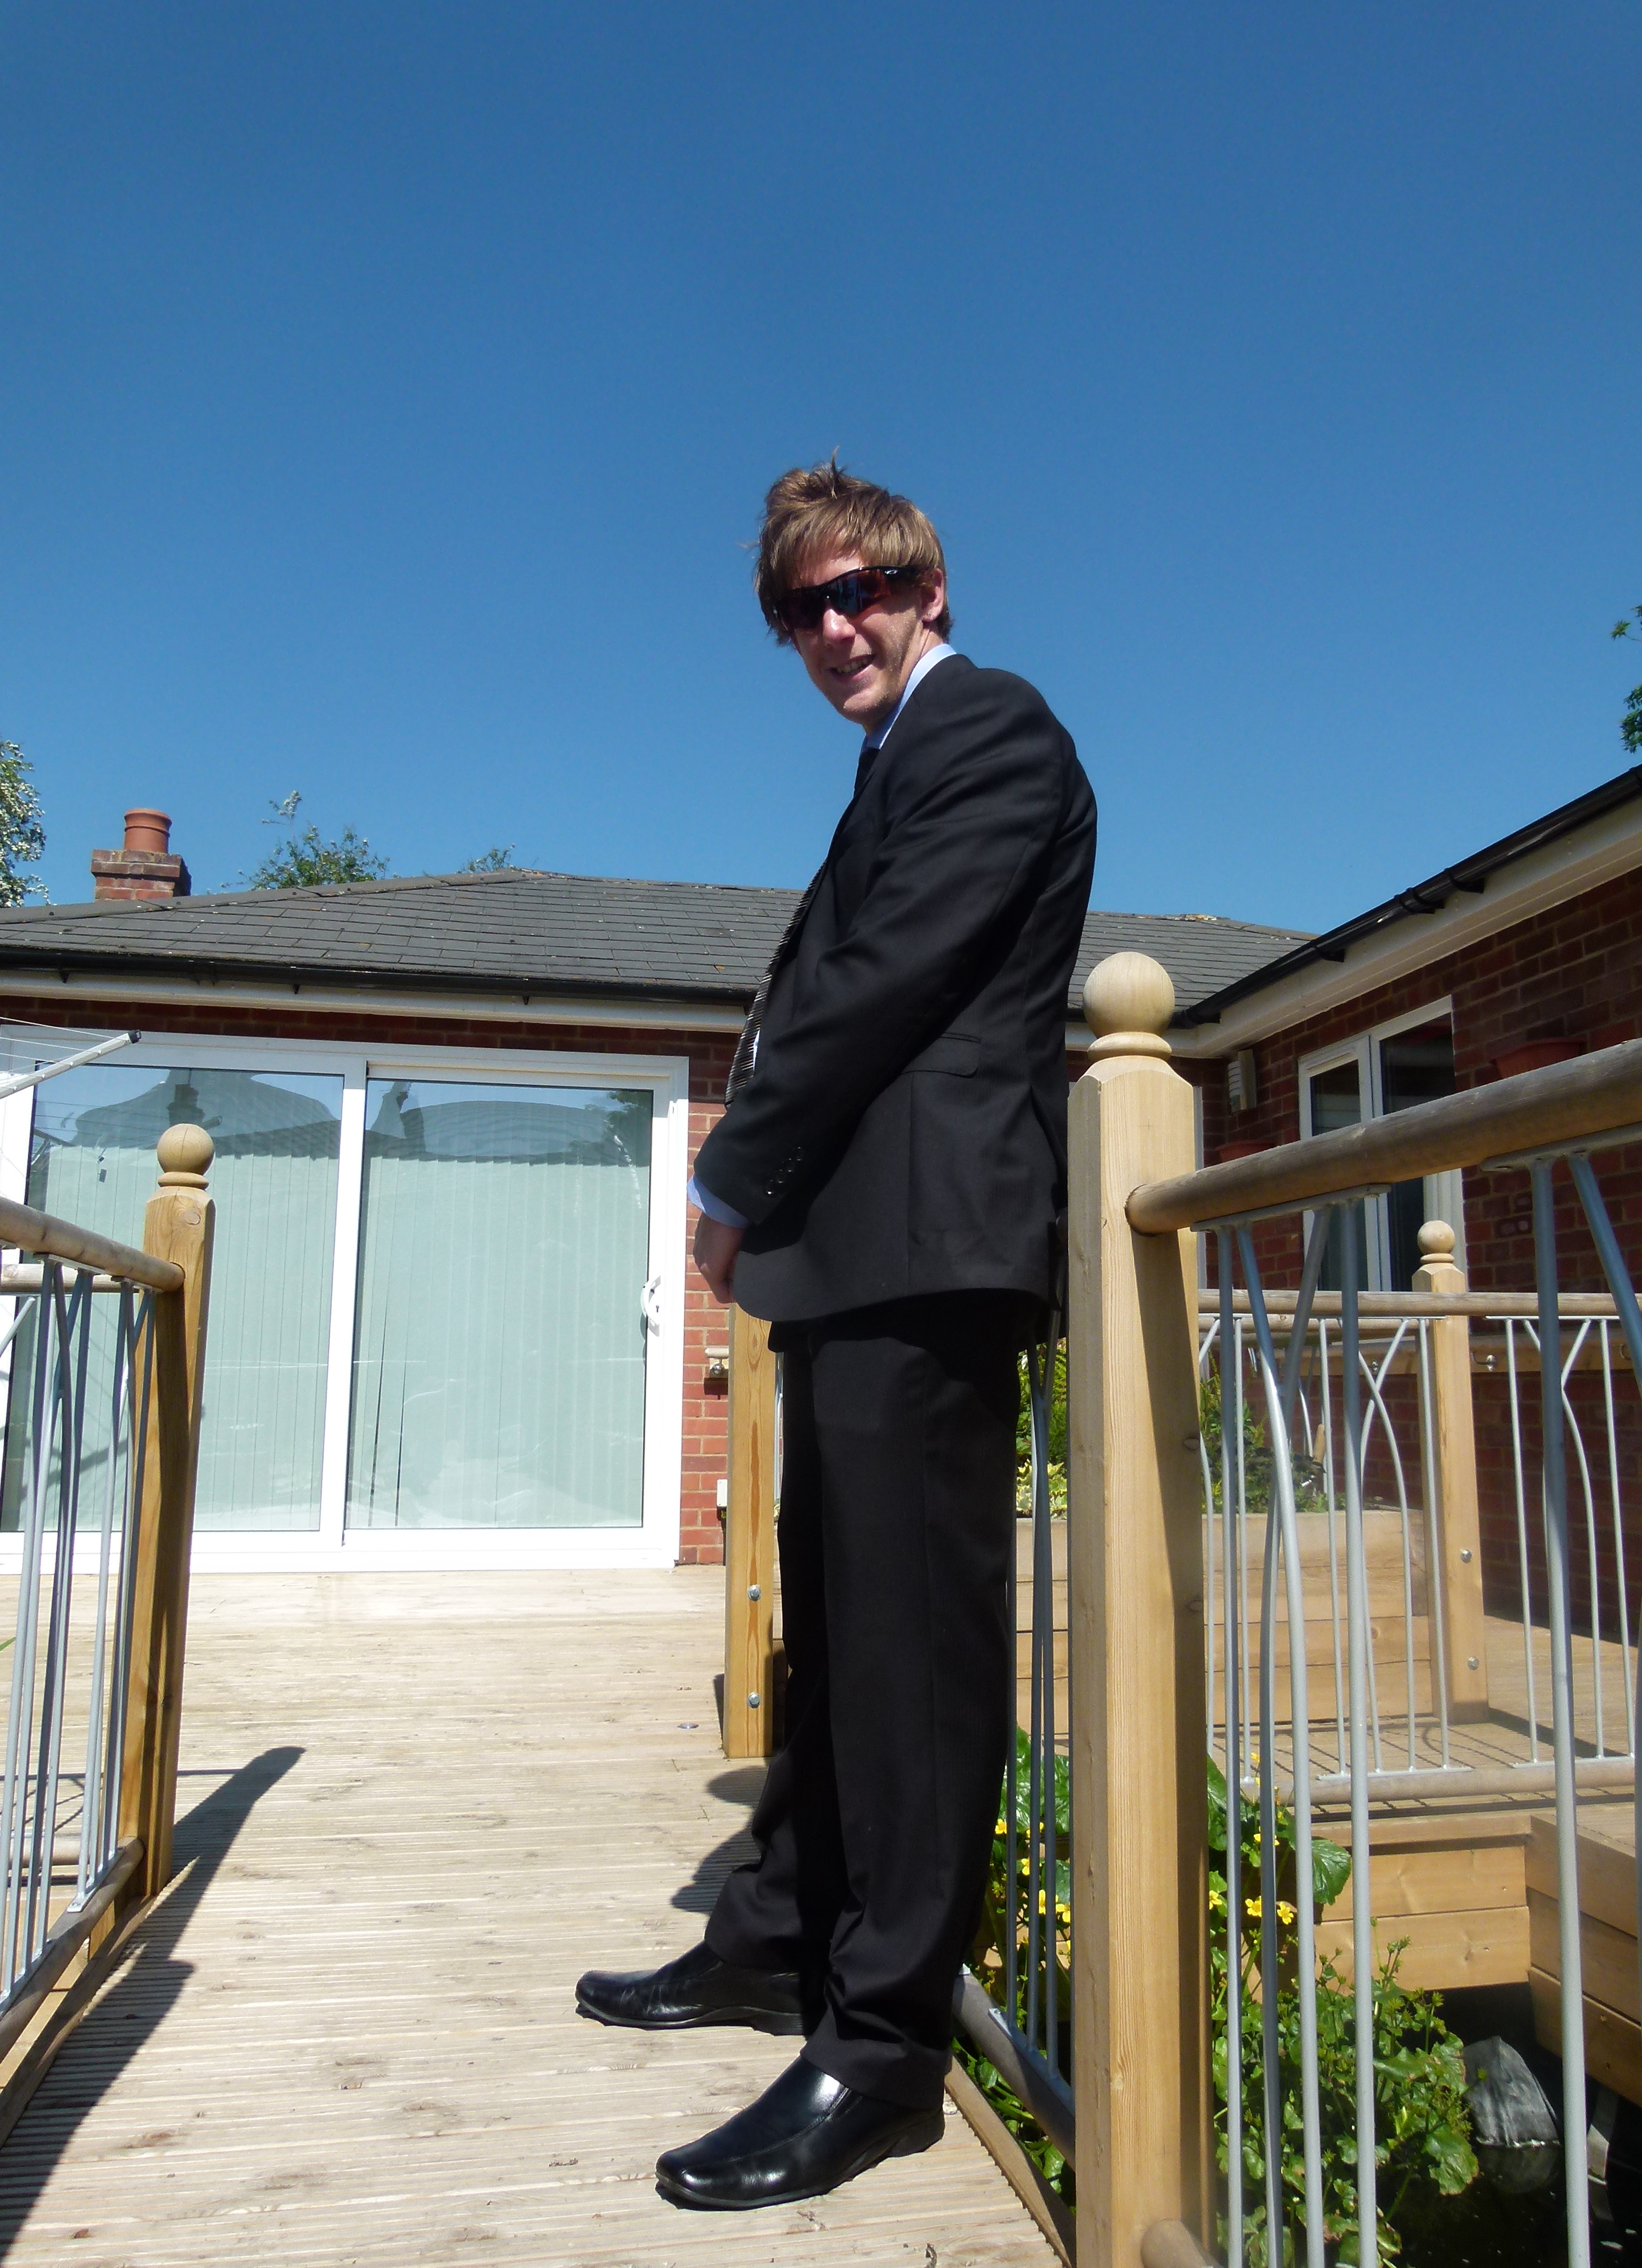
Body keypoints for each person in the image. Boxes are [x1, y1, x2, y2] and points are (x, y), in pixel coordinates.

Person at [576, 461, 1096, 2212]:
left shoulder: (994, 728)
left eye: (862, 588)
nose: (835, 626)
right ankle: (778, 1934)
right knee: (837, 1631)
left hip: (934, 1252)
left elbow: (880, 984)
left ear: (930, 589)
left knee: (916, 1660)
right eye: (801, 608)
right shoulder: (893, 761)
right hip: (859, 1255)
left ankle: (881, 2055)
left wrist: (731, 1172)